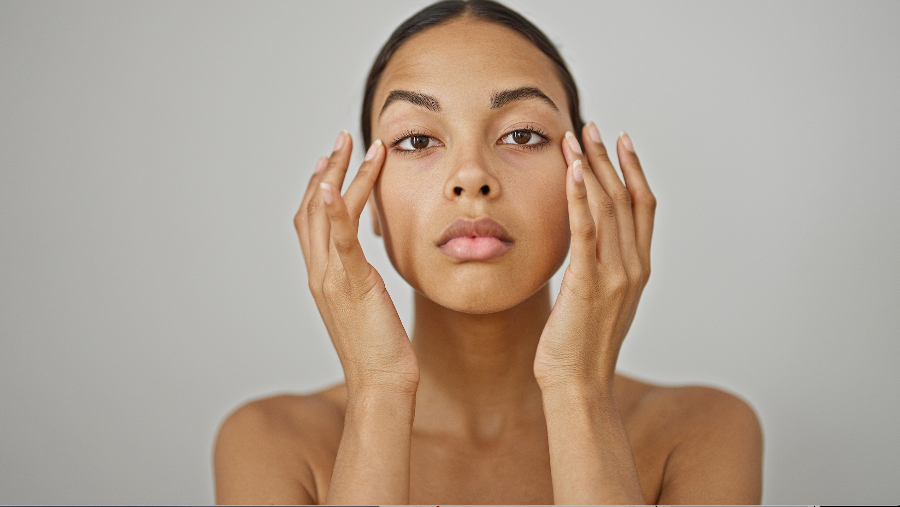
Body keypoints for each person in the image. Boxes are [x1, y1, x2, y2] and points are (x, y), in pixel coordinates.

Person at [213, 0, 763, 504]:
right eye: (418, 140)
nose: (471, 176)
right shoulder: (272, 441)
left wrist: (578, 386)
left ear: (591, 183)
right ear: (369, 202)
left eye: (522, 135)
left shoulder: (703, 430)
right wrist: (379, 390)